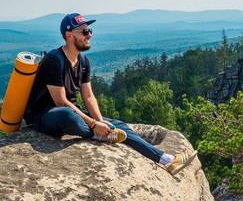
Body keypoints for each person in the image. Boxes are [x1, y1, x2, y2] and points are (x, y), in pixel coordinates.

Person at [24, 13, 197, 175]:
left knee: (119, 126)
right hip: (46, 116)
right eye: (84, 31)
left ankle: (166, 160)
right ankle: (97, 135)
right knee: (68, 114)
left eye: (89, 30)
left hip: (73, 114)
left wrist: (99, 120)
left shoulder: (83, 61)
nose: (89, 35)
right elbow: (60, 102)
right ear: (69, 35)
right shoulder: (54, 60)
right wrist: (93, 126)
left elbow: (89, 96)